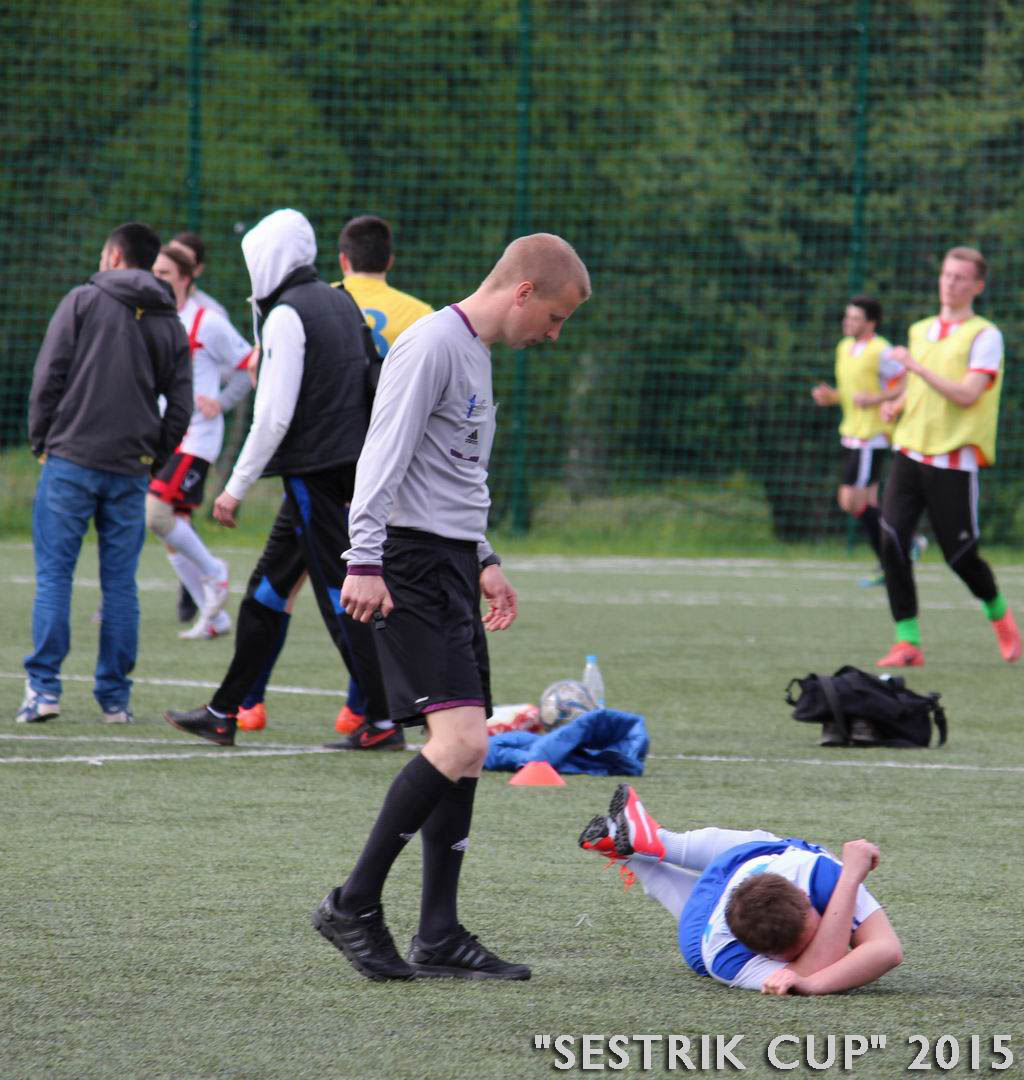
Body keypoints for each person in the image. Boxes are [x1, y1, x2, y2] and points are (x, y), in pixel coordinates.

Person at [311, 233, 591, 982]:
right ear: (524, 292)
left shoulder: (475, 353)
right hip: (408, 564)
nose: (554, 336)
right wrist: (363, 559)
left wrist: (485, 558)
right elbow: (383, 454)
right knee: (461, 742)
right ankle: (352, 904)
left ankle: (437, 933)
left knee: (466, 754)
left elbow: (451, 473)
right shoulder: (432, 344)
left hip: (451, 563)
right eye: (555, 318)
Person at [162, 208, 391, 747]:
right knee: (267, 591)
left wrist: (235, 487)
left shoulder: (288, 314)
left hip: (316, 475)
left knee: (341, 596)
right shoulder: (339, 300)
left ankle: (386, 718)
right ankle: (225, 710)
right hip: (341, 468)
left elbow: (273, 415)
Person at [236, 214, 433, 740]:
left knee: (319, 584)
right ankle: (353, 708)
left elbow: (265, 379)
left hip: (318, 462)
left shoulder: (316, 302)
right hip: (382, 463)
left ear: (342, 259)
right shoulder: (420, 315)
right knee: (357, 579)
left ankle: (255, 703)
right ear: (390, 260)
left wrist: (237, 483)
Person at [18, 223, 192, 725]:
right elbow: (181, 405)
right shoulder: (170, 319)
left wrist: (41, 439)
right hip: (131, 467)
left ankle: (44, 691)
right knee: (120, 584)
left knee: (55, 575)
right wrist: (153, 454)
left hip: (70, 458)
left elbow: (48, 376)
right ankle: (115, 699)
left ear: (114, 256)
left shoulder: (82, 300)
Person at [579, 784, 903, 996]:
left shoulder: (816, 871)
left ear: (805, 898)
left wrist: (805, 978)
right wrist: (851, 878)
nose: (820, 940)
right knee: (699, 941)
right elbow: (882, 951)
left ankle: (651, 844)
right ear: (756, 951)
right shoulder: (727, 957)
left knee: (759, 842)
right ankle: (638, 852)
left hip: (744, 860)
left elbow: (816, 965)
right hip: (702, 931)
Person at [875, 246, 1020, 667]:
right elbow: (919, 388)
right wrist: (898, 403)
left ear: (978, 286)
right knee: (891, 540)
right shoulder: (921, 330)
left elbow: (968, 394)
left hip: (953, 460)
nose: (950, 283)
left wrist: (916, 368)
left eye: (960, 277)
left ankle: (1000, 615)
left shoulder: (985, 336)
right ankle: (908, 641)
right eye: (946, 274)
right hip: (910, 451)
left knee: (961, 557)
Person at [148, 241, 254, 640]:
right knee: (172, 531)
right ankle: (215, 619)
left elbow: (251, 363)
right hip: (165, 436)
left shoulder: (208, 321)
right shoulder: (151, 317)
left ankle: (215, 571)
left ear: (187, 279)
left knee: (155, 514)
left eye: (165, 274)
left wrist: (221, 402)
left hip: (196, 437)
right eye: (153, 272)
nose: (157, 280)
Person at [810, 295, 907, 585]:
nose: (848, 322)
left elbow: (908, 382)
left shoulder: (881, 350)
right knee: (867, 503)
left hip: (871, 435)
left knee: (850, 501)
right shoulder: (844, 347)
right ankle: (891, 562)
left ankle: (904, 544)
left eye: (855, 318)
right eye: (847, 316)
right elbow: (851, 392)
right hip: (850, 433)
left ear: (871, 323)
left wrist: (877, 399)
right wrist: (833, 397)